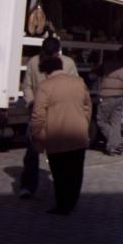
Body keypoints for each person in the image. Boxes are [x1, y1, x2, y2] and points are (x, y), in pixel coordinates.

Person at [31, 56, 91, 215]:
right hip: (78, 134)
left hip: (56, 136)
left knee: (59, 172)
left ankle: (62, 204)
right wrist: (84, 123)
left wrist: (38, 135)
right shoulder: (79, 82)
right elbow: (87, 106)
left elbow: (38, 114)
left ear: (46, 71)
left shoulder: (45, 86)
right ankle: (71, 201)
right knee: (76, 171)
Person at [19, 37, 78, 199]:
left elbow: (75, 85)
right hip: (38, 113)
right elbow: (27, 86)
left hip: (59, 114)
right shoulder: (33, 63)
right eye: (46, 55)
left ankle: (62, 187)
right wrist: (31, 102)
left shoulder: (68, 64)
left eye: (53, 55)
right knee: (32, 151)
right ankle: (28, 186)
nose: (49, 58)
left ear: (58, 53)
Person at [96, 46, 123, 156]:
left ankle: (116, 142)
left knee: (101, 121)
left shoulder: (108, 64)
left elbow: (97, 71)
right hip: (119, 97)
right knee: (116, 122)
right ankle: (115, 145)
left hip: (106, 96)